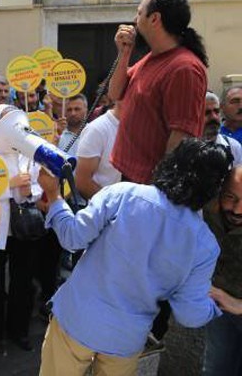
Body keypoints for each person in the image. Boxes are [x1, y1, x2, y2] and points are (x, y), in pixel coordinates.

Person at [37, 139, 230, 375]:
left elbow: (73, 237)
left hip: (77, 319)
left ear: (172, 164)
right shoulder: (205, 246)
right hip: (126, 338)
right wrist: (217, 304)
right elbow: (190, 314)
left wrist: (54, 196)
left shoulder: (124, 194)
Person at [110, 0, 208, 184]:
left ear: (154, 19)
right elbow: (115, 92)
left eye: (139, 13)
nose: (134, 19)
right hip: (132, 180)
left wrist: (160, 189)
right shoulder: (153, 57)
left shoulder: (184, 68)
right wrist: (124, 54)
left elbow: (181, 135)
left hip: (151, 187)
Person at [0, 104, 44, 354]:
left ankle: (19, 330)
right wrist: (10, 185)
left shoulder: (30, 153)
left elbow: (41, 186)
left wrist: (32, 192)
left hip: (25, 230)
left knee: (23, 282)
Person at [202, 166, 242, 376]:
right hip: (220, 309)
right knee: (216, 369)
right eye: (230, 197)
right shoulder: (208, 210)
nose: (237, 210)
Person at [75, 101, 122, 199]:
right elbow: (83, 182)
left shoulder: (140, 127)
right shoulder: (97, 129)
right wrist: (113, 205)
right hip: (106, 210)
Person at [205, 91, 242, 166]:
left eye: (216, 111)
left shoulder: (233, 146)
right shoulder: (185, 148)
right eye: (207, 113)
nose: (214, 117)